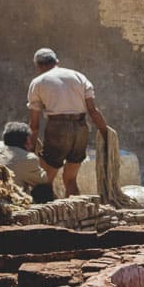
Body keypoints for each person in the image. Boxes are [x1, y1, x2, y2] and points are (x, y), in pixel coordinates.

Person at [26, 48, 108, 197]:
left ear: (39, 66)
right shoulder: (79, 77)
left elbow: (34, 124)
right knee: (70, 180)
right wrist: (107, 136)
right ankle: (77, 215)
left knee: (45, 181)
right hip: (81, 129)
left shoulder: (38, 82)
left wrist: (30, 149)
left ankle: (47, 217)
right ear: (57, 62)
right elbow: (93, 111)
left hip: (58, 130)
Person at [0, 122, 52, 202]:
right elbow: (44, 180)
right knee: (44, 189)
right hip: (11, 202)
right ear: (27, 140)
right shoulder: (28, 159)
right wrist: (39, 155)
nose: (31, 144)